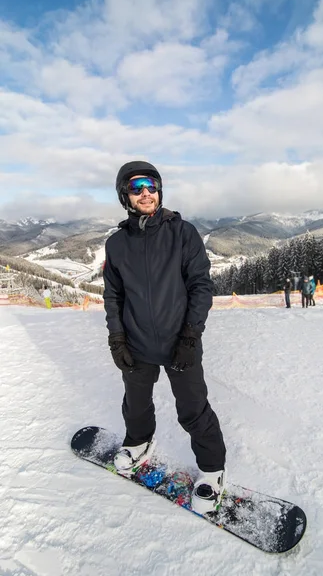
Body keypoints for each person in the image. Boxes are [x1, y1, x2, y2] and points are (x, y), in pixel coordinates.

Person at [103, 160, 226, 515]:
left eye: (151, 186)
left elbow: (201, 286)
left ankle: (212, 469)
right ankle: (138, 443)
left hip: (179, 341)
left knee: (193, 409)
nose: (145, 193)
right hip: (137, 342)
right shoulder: (116, 244)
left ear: (159, 191)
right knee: (136, 403)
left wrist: (190, 335)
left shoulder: (182, 233)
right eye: (136, 187)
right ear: (124, 195)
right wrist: (117, 338)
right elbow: (114, 296)